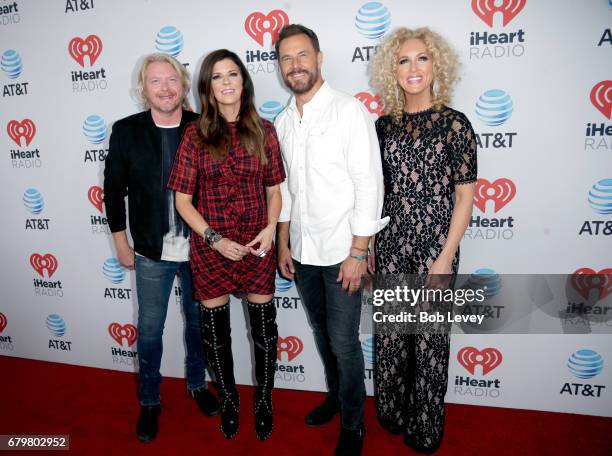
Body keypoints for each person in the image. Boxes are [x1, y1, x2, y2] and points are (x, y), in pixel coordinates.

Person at [275, 24, 388, 456]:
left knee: (344, 342)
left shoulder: (348, 111)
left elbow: (368, 185)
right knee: (322, 334)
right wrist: (284, 242)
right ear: (280, 67)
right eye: (287, 58)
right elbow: (285, 190)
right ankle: (336, 397)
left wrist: (359, 251)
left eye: (302, 55)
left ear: (319, 59)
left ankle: (354, 424)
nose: (295, 65)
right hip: (303, 252)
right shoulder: (283, 121)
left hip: (344, 251)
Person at [168, 49, 285, 441]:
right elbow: (183, 201)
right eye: (217, 77)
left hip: (256, 246)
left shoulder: (265, 130)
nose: (227, 82)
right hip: (211, 249)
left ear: (243, 80)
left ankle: (264, 399)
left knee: (265, 332)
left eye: (233, 73)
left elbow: (274, 189)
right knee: (216, 336)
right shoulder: (195, 134)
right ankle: (231, 400)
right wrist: (215, 240)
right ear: (208, 87)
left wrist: (270, 229)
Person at [370, 27, 477, 453]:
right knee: (393, 338)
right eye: (403, 61)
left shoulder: (455, 124)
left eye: (422, 59)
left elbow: (465, 198)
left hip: (437, 247)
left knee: (431, 341)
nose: (413, 69)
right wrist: (374, 247)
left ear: (436, 66)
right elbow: (376, 194)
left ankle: (427, 423)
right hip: (393, 244)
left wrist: (445, 258)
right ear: (392, 71)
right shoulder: (382, 127)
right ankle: (393, 412)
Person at [103, 53, 220, 443]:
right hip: (151, 252)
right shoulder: (125, 131)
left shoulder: (203, 127)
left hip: (200, 251)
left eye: (172, 79)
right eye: (156, 81)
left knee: (198, 323)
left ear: (184, 85)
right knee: (150, 329)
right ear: (143, 89)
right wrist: (121, 241)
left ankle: (196, 384)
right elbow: (112, 190)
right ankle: (150, 399)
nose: (166, 88)